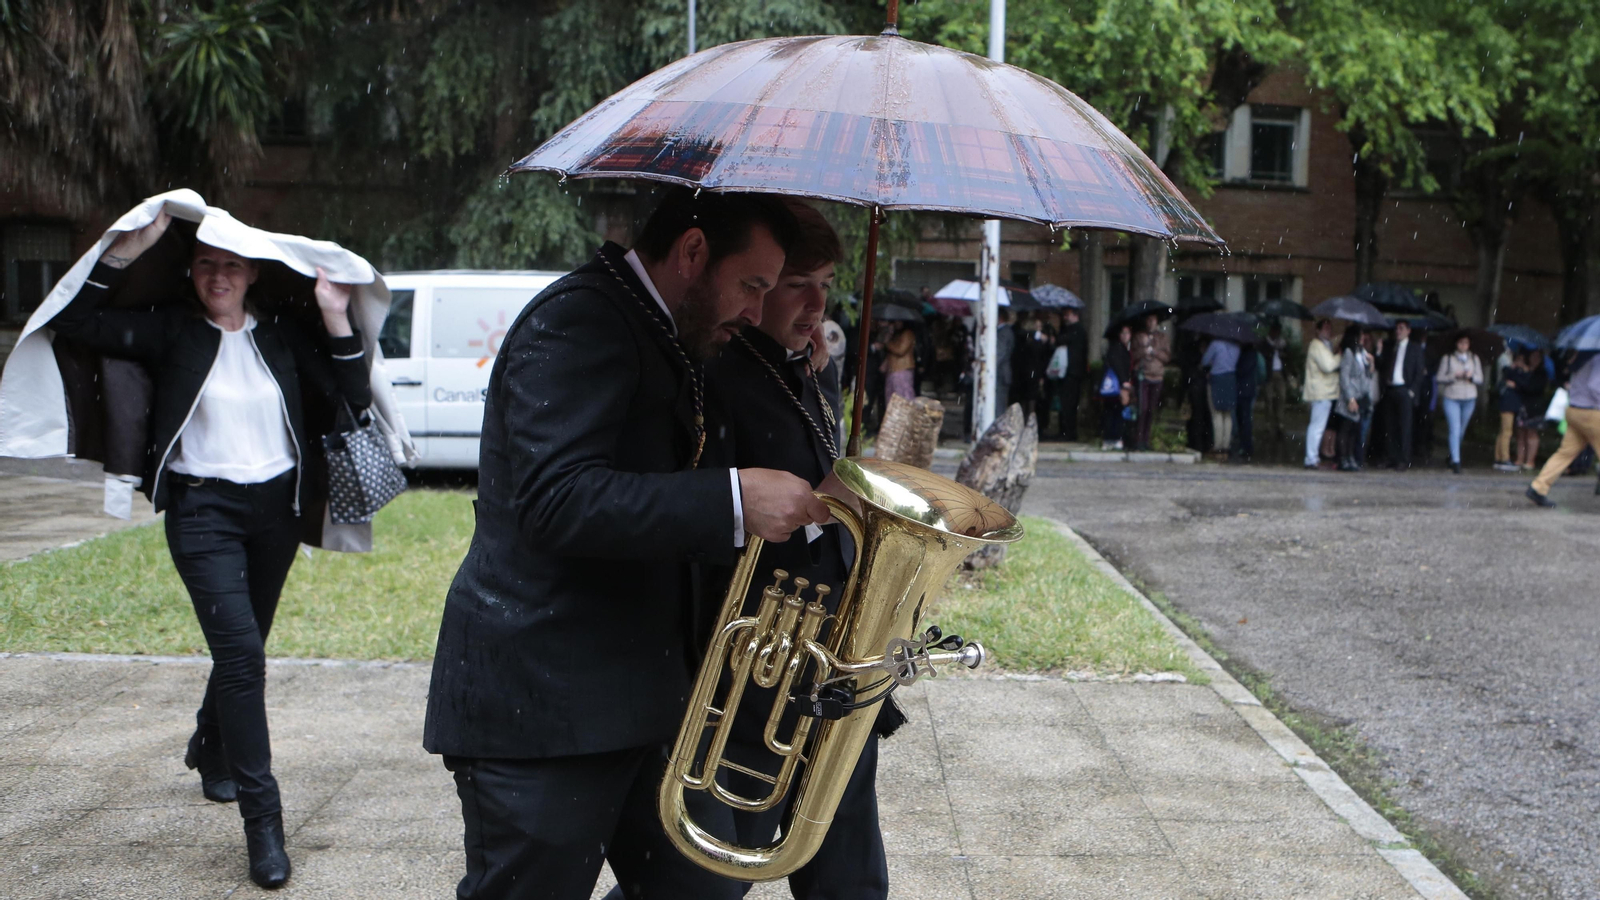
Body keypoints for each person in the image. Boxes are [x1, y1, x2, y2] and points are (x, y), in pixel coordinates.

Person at [422, 189, 831, 900]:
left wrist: (797, 364)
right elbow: (555, 501)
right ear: (693, 252)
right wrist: (733, 498)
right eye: (752, 286)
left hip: (644, 700)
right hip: (545, 709)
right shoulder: (579, 321)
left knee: (705, 888)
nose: (756, 310)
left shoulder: (661, 324)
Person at [47, 212, 372, 889]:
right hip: (203, 512)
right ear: (190, 273)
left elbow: (350, 394)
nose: (217, 276)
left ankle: (209, 743)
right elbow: (73, 324)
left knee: (241, 643)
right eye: (204, 264)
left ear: (252, 272)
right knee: (244, 657)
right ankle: (264, 822)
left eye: (230, 265)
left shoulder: (281, 335)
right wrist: (122, 254)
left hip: (275, 512)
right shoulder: (173, 331)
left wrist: (335, 314)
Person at [693, 200, 893, 899]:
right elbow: (728, 517)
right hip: (758, 666)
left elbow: (818, 450)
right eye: (796, 284)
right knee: (719, 867)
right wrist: (829, 498)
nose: (816, 304)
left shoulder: (805, 363)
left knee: (848, 870)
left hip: (835, 652)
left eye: (827, 285)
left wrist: (825, 379)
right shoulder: (718, 373)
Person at [1527, 352, 1600, 507]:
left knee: (1565, 453)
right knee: (1566, 453)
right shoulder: (1598, 359)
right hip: (1592, 413)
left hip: (1575, 410)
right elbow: (1595, 384)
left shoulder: (1583, 357)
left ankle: (1538, 487)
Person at [1377, 320, 1425, 470]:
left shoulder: (1414, 348)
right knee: (1389, 426)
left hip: (1405, 390)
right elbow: (1381, 366)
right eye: (1397, 328)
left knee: (1404, 426)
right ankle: (1391, 457)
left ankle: (1403, 459)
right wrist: (1379, 352)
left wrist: (1412, 391)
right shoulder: (1391, 347)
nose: (1398, 331)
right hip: (1391, 389)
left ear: (1408, 331)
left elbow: (1419, 372)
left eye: (1401, 328)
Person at [1437, 333, 1484, 473]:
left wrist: (1472, 376)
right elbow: (1439, 377)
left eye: (1466, 343)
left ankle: (1452, 454)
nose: (1463, 346)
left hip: (1469, 397)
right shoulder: (1448, 358)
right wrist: (1454, 376)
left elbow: (1480, 378)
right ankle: (1456, 462)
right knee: (1454, 428)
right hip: (1452, 396)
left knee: (1461, 430)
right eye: (1461, 343)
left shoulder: (1474, 359)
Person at [1333, 325, 1374, 471]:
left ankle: (1350, 457)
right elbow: (1344, 377)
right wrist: (1350, 398)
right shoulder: (1349, 353)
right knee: (1345, 428)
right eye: (1360, 335)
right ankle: (1343, 458)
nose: (1363, 338)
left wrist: (1371, 365)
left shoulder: (1362, 354)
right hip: (1349, 397)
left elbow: (1366, 377)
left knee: (1353, 430)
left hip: (1360, 396)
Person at [1129, 313, 1171, 451]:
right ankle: (1138, 440)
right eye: (1148, 320)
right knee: (1142, 408)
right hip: (1143, 376)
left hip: (1157, 376)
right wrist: (1144, 349)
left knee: (1151, 410)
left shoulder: (1163, 338)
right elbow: (1133, 355)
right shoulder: (1138, 336)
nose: (1150, 323)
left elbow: (1167, 357)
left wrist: (1154, 352)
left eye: (1153, 320)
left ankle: (1146, 440)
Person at [1303, 319, 1339, 469]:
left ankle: (1313, 457)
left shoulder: (1325, 345)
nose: (1328, 330)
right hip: (1320, 392)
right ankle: (1311, 459)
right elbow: (1328, 365)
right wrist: (1340, 356)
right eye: (1324, 328)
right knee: (1317, 427)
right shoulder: (1317, 345)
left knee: (1317, 426)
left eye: (1329, 327)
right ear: (1317, 331)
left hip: (1324, 392)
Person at [1200, 336, 1239, 455]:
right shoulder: (1237, 347)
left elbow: (1205, 361)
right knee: (1227, 413)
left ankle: (1217, 445)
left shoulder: (1215, 344)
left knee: (1216, 413)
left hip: (1216, 379)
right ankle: (1226, 445)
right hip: (1230, 379)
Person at [1054, 307, 1089, 440]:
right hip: (1069, 372)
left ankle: (1068, 432)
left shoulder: (1078, 330)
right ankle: (1064, 431)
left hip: (1073, 373)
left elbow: (1061, 340)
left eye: (1067, 315)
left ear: (1075, 316)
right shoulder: (1072, 330)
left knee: (1069, 404)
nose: (1065, 318)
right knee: (1065, 403)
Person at [1512, 348, 1549, 471]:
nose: (1534, 359)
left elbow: (1532, 388)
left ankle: (1530, 460)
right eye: (1533, 356)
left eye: (1537, 357)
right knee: (1520, 433)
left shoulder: (1541, 373)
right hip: (1522, 405)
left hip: (1535, 406)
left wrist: (1526, 375)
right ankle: (1520, 459)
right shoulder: (1523, 370)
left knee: (1531, 433)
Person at [1101, 324, 1133, 449]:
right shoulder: (1117, 348)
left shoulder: (1123, 349)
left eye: (1127, 333)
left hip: (1116, 386)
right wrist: (1124, 381)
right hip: (1117, 386)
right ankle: (1113, 438)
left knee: (1115, 412)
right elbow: (1117, 365)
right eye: (1123, 333)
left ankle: (1112, 438)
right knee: (1115, 412)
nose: (1125, 336)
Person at [1232, 339, 1261, 462]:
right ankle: (1245, 445)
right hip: (1244, 389)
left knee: (1245, 418)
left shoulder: (1249, 353)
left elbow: (1243, 370)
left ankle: (1246, 446)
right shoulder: (1248, 353)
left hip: (1245, 390)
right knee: (1243, 418)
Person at [1262, 322, 1290, 438]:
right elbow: (1263, 355)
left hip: (1280, 373)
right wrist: (1272, 351)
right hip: (1268, 373)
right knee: (1268, 399)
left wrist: (1282, 352)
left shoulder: (1283, 343)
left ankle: (1280, 423)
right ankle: (1268, 423)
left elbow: (1289, 357)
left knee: (1281, 398)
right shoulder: (1265, 342)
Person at [882, 321, 918, 401]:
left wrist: (888, 343)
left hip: (902, 368)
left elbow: (900, 350)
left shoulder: (907, 334)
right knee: (891, 397)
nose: (896, 323)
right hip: (892, 369)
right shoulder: (894, 334)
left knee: (904, 396)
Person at [995, 306, 1015, 410]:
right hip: (1001, 373)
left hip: (1001, 374)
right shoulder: (1004, 331)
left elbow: (1000, 353)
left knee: (999, 405)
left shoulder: (1004, 332)